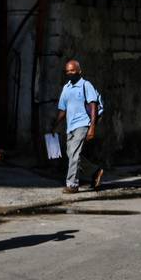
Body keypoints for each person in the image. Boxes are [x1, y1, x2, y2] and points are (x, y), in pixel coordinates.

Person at [51, 59, 104, 194]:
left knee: (74, 154)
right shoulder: (66, 88)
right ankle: (95, 171)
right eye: (67, 71)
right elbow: (63, 110)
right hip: (71, 126)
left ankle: (72, 184)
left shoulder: (86, 85)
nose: (69, 73)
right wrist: (54, 125)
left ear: (79, 71)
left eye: (72, 70)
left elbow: (93, 106)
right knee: (71, 154)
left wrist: (92, 127)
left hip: (83, 124)